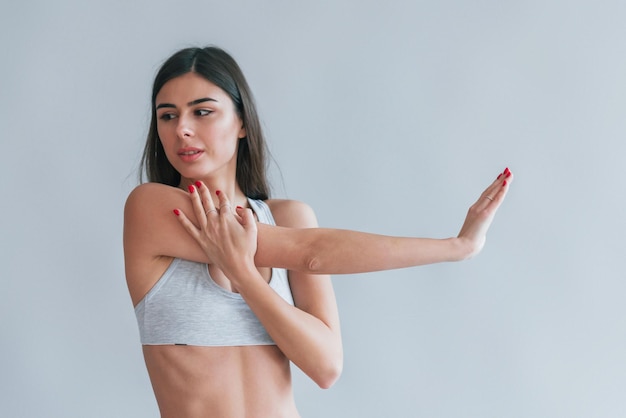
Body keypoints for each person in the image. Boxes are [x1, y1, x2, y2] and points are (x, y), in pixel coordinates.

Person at [123, 45, 513, 418]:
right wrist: (454, 247)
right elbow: (309, 251)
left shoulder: (290, 216)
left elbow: (326, 367)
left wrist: (244, 275)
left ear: (242, 123)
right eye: (168, 116)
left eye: (202, 112)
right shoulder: (153, 209)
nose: (183, 130)